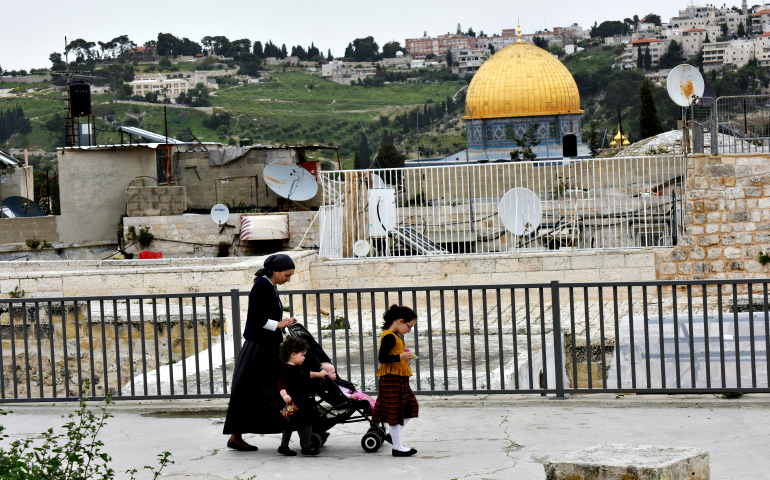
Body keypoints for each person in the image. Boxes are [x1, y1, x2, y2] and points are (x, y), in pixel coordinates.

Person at [223, 253, 298, 451]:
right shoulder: (262, 286)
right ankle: (236, 436)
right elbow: (255, 319)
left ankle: (300, 428)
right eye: (287, 275)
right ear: (276, 271)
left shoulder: (270, 285)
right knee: (254, 391)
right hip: (258, 349)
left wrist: (283, 323)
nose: (288, 280)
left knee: (275, 390)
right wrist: (279, 324)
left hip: (268, 346)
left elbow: (267, 317)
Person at [372, 305, 419, 457]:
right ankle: (397, 446)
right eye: (409, 327)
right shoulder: (389, 336)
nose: (409, 330)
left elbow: (392, 354)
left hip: (399, 378)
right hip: (391, 379)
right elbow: (382, 358)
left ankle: (393, 437)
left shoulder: (395, 336)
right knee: (395, 411)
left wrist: (404, 355)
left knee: (411, 407)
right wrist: (400, 357)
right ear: (401, 321)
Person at [277, 337, 329, 456]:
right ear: (293, 355)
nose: (304, 358)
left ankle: (303, 446)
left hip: (302, 401)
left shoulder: (298, 368)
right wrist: (284, 395)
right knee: (291, 424)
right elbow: (281, 384)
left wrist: (319, 374)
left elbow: (307, 374)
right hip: (292, 402)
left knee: (304, 422)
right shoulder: (286, 369)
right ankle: (292, 447)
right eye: (303, 355)